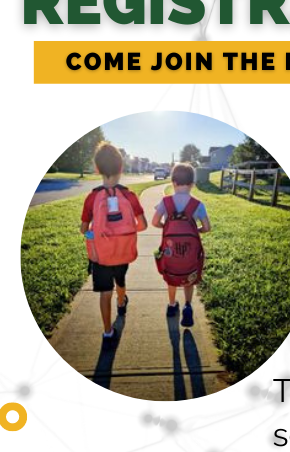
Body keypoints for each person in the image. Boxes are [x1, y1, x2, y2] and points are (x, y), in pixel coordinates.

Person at [80, 142, 147, 340]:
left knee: (104, 292)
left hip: (101, 255)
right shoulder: (129, 195)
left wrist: (94, 233)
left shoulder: (92, 198)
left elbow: (84, 229)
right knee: (120, 280)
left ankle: (108, 332)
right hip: (123, 251)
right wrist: (124, 232)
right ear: (121, 167)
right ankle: (121, 302)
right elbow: (143, 225)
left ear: (97, 169)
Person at [151, 163, 211, 328]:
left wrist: (167, 227)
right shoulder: (197, 204)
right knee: (189, 277)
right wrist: (195, 230)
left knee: (171, 276)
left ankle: (172, 305)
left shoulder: (166, 202)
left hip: (170, 252)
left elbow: (154, 222)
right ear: (192, 184)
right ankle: (188, 306)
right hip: (189, 252)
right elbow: (207, 227)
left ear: (173, 182)